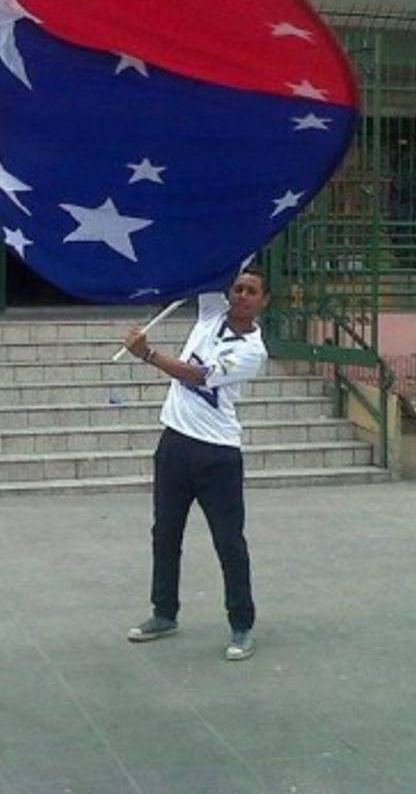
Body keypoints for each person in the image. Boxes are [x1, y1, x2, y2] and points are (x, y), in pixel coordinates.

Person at [122, 268, 270, 661]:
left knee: (229, 542)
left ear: (263, 301)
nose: (242, 295)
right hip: (174, 444)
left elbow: (200, 376)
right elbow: (210, 262)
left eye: (251, 291)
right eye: (238, 288)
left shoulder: (253, 350)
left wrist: (149, 354)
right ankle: (164, 613)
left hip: (218, 454)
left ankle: (241, 624)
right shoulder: (210, 314)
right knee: (165, 534)